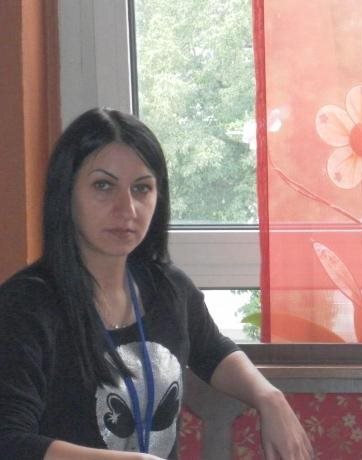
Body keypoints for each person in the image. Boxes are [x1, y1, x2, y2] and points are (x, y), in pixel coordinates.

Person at [0, 108, 314, 460]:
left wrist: (269, 397)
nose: (127, 209)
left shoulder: (167, 288)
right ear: (66, 192)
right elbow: (9, 442)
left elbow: (214, 350)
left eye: (142, 188)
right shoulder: (24, 306)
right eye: (103, 186)